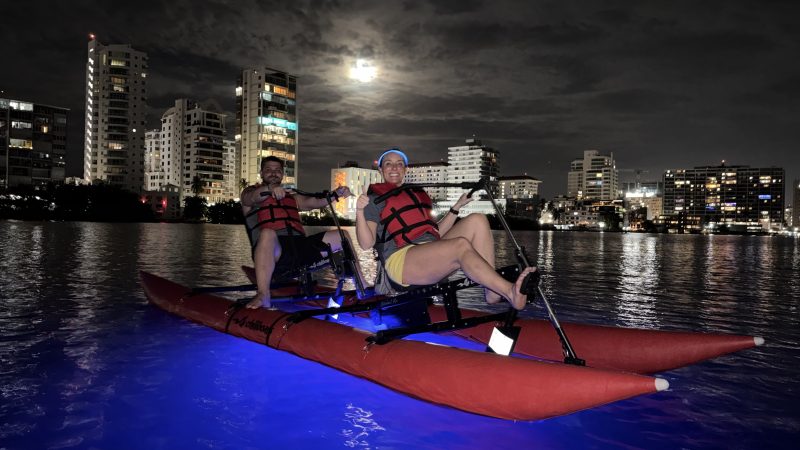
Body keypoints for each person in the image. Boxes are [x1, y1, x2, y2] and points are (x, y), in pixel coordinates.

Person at [355, 148, 535, 310]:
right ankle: (509, 291)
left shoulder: (416, 194)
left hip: (429, 252)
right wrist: (360, 210)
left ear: (405, 169)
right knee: (460, 246)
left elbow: (435, 234)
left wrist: (456, 207)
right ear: (380, 169)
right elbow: (365, 243)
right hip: (402, 261)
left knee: (478, 220)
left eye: (399, 164)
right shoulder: (373, 199)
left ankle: (492, 293)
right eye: (388, 164)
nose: (394, 168)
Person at [241, 156, 354, 309]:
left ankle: (362, 286)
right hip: (275, 254)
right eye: (269, 170)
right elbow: (251, 198)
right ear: (261, 173)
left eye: (278, 171)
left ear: (282, 174)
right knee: (267, 233)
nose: (274, 173)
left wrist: (336, 194)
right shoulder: (250, 194)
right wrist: (270, 189)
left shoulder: (293, 198)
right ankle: (263, 294)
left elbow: (315, 202)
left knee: (342, 236)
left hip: (300, 252)